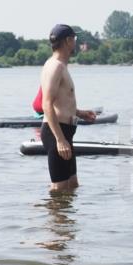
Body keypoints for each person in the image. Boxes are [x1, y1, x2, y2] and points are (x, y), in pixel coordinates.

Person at [39, 24, 97, 191]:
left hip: (65, 133)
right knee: (59, 188)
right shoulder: (55, 66)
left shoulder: (61, 66)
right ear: (68, 41)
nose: (76, 43)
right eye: (74, 39)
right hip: (56, 132)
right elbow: (46, 103)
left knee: (72, 186)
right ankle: (50, 216)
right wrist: (59, 139)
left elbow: (60, 101)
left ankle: (66, 217)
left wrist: (80, 113)